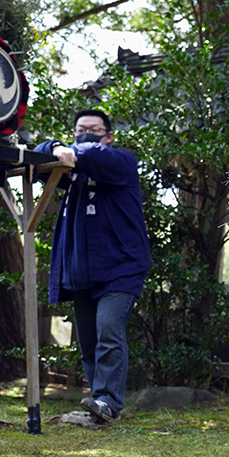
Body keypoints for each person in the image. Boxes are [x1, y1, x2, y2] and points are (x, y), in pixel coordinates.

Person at [36, 110, 150, 424]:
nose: (86, 134)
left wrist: (72, 152)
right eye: (80, 130)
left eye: (94, 129)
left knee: (109, 330)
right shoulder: (71, 173)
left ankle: (109, 402)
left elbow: (97, 156)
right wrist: (53, 148)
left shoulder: (121, 163)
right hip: (83, 271)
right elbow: (37, 159)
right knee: (87, 340)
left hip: (121, 268)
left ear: (108, 135)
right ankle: (99, 403)